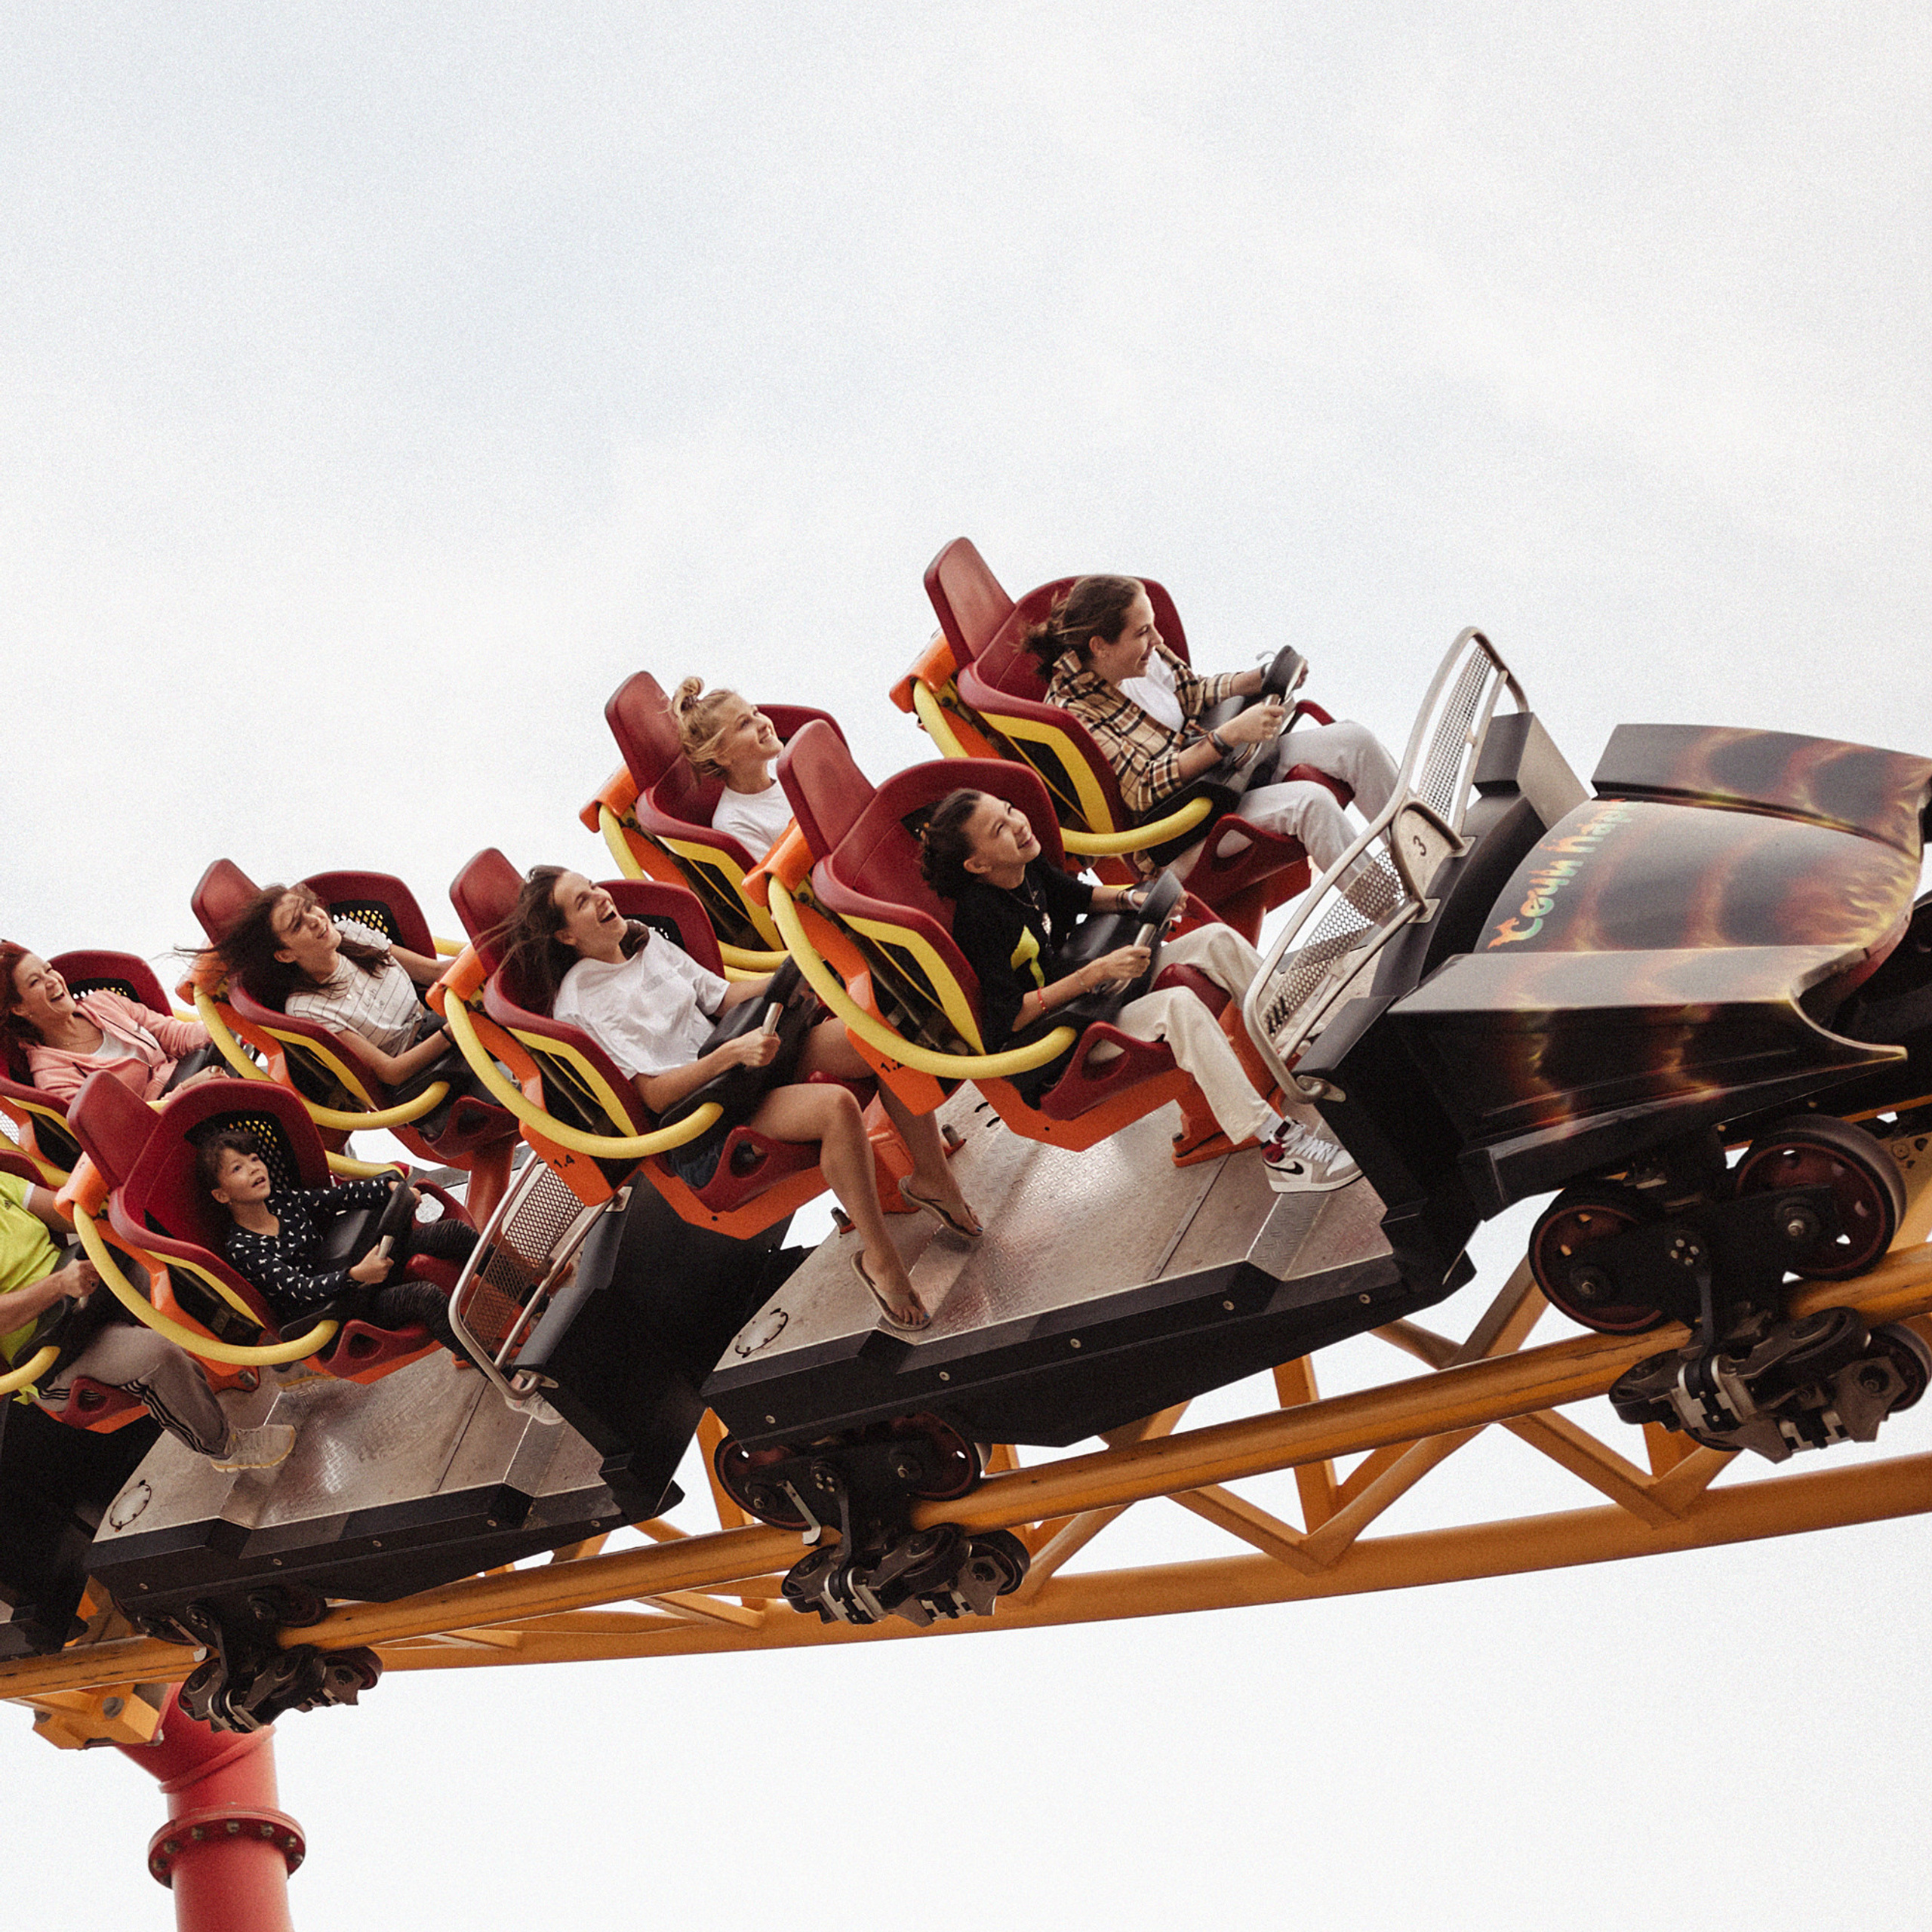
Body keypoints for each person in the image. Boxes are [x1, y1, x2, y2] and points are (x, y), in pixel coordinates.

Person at [494, 867, 981, 1332]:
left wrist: (798, 976)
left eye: (594, 887)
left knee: (879, 1040)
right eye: (583, 901)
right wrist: (728, 1056)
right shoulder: (581, 1001)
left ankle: (932, 1179)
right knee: (836, 1108)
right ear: (566, 937)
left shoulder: (641, 940)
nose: (602, 897)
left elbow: (721, 996)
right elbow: (654, 1092)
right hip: (707, 1117)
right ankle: (881, 1260)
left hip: (748, 1065)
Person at [918, 789, 1359, 1193]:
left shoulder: (1026, 867)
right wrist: (1091, 975)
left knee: (1216, 941)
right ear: (976, 865)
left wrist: (1141, 899)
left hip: (1096, 1000)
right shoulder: (978, 919)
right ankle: (1278, 1148)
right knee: (1179, 1006)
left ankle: (1308, 1047)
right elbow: (1006, 1019)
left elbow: (1079, 896)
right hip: (1061, 1043)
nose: (1017, 823)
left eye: (1009, 809)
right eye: (999, 828)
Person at [1031, 577, 1400, 884]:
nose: (1157, 641)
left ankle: (1423, 852)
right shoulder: (1073, 711)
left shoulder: (1139, 658)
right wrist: (1229, 737)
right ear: (1101, 646)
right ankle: (1396, 913)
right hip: (1181, 828)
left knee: (1355, 741)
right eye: (1143, 632)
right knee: (1311, 804)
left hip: (1222, 776)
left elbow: (1192, 692)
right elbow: (1143, 789)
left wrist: (1261, 679)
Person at [0, 1162, 294, 1469]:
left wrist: (99, 1194)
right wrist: (58, 1285)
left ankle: (265, 1341)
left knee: (173, 1271)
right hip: (47, 1352)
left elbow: (65, 1213)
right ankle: (227, 1448)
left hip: (83, 1288)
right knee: (157, 1356)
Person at [199, 1130, 476, 1357]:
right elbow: (299, 1288)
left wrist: (387, 1188)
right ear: (222, 1195)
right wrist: (355, 1275)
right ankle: (497, 1369)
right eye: (238, 1168)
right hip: (337, 1312)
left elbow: (336, 1197)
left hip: (359, 1273)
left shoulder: (281, 1202)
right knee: (424, 1297)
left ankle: (520, 1293)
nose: (253, 1169)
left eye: (255, 1159)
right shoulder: (244, 1248)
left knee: (452, 1232)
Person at [207, 885, 464, 1097]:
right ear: (286, 954)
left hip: (436, 1023)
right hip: (419, 1074)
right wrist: (455, 1031)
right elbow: (391, 1071)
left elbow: (434, 972)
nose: (316, 920)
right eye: (298, 925)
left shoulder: (347, 934)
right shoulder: (306, 1007)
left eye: (309, 908)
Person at [2, 943, 219, 1106]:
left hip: (200, 1075)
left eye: (48, 970)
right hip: (173, 1122)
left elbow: (175, 1034)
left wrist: (222, 1026)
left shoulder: (103, 1002)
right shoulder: (54, 1076)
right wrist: (186, 1091)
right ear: (19, 1008)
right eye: (34, 982)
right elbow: (123, 1128)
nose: (52, 981)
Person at [669, 678, 795, 854]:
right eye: (744, 724)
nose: (763, 724)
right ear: (722, 755)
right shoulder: (733, 822)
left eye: (756, 713)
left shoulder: (790, 768)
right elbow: (775, 879)